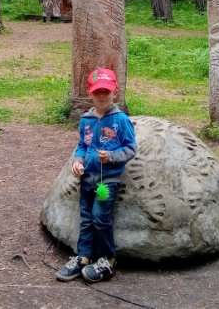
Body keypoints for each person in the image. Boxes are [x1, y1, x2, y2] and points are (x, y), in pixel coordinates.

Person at [55, 68, 137, 284]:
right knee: (86, 218)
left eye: (106, 92)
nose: (102, 96)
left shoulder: (121, 120)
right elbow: (82, 145)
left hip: (107, 181)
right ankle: (83, 257)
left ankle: (108, 260)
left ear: (114, 93)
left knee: (100, 218)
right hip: (87, 179)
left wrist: (110, 157)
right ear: (91, 93)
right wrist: (78, 161)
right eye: (97, 91)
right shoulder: (86, 120)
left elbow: (131, 149)